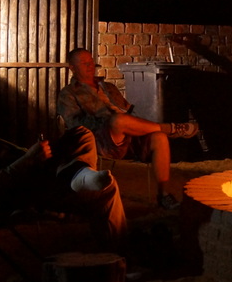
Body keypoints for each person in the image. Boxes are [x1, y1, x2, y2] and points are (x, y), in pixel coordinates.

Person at [0, 65, 128, 254]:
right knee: (105, 190)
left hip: (30, 171)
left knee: (81, 134)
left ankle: (77, 173)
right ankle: (116, 256)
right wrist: (28, 160)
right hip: (18, 192)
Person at [58, 48, 198, 210]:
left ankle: (163, 194)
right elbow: (75, 124)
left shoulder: (108, 87)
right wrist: (107, 121)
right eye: (84, 63)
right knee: (118, 120)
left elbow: (128, 112)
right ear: (72, 68)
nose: (90, 66)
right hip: (101, 139)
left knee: (159, 137)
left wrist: (135, 124)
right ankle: (171, 128)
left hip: (127, 135)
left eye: (91, 62)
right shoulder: (68, 94)